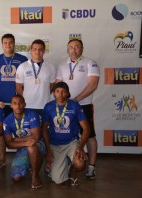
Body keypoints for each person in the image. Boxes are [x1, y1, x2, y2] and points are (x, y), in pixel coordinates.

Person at [56, 39, 100, 179]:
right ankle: (68, 161)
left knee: (90, 135)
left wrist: (75, 100)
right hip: (65, 107)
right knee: (67, 134)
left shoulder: (90, 63)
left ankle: (92, 167)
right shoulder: (62, 65)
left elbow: (92, 85)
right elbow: (58, 85)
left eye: (77, 47)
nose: (74, 50)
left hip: (83, 105)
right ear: (67, 49)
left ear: (82, 49)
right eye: (71, 47)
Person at [42, 82, 90, 186]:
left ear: (68, 94)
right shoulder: (48, 107)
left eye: (64, 92)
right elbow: (44, 129)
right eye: (57, 91)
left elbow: (86, 128)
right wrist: (48, 150)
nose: (60, 94)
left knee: (80, 164)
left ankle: (73, 170)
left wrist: (80, 147)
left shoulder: (74, 106)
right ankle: (66, 163)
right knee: (58, 181)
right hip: (55, 145)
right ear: (54, 93)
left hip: (71, 142)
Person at [0, 33, 28, 167]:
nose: (8, 45)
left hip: (17, 103)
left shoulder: (22, 59)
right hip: (1, 102)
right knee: (1, 131)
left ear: (14, 43)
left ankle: (23, 157)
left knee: (21, 128)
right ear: (2, 44)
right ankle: (2, 158)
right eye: (5, 42)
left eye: (11, 42)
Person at [3, 95, 45, 189]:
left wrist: (16, 139)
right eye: (15, 103)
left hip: (39, 144)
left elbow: (36, 137)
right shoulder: (7, 120)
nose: (18, 106)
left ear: (24, 104)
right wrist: (25, 143)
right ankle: (32, 162)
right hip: (23, 146)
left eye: (20, 103)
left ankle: (35, 175)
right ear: (11, 105)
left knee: (32, 147)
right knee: (16, 178)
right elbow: (9, 144)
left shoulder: (32, 114)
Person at [15, 39, 56, 121]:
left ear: (44, 51)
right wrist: (26, 98)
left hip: (45, 105)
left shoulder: (50, 66)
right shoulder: (23, 66)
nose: (37, 52)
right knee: (29, 131)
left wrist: (44, 94)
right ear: (30, 50)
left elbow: (52, 85)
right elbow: (18, 87)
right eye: (35, 49)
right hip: (27, 105)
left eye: (40, 49)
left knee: (44, 130)